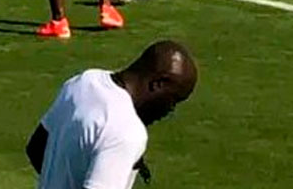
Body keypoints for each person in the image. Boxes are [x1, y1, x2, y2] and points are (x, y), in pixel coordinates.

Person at [26, 40, 199, 189]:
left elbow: (36, 148)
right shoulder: (126, 131)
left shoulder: (84, 81)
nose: (169, 110)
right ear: (158, 84)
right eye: (173, 100)